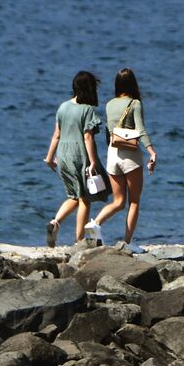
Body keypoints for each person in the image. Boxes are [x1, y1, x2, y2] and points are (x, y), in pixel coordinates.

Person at [88, 68, 158, 250]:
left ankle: (95, 223)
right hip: (130, 157)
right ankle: (127, 244)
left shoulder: (109, 104)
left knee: (118, 202)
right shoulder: (135, 104)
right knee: (133, 202)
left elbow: (106, 132)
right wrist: (152, 152)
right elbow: (140, 130)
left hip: (112, 154)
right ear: (133, 84)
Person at [43, 70, 108, 246]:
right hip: (80, 155)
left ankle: (55, 222)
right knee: (85, 199)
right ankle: (79, 240)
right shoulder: (87, 110)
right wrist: (93, 161)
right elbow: (88, 137)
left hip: (62, 155)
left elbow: (56, 134)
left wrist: (49, 158)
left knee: (74, 195)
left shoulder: (63, 107)